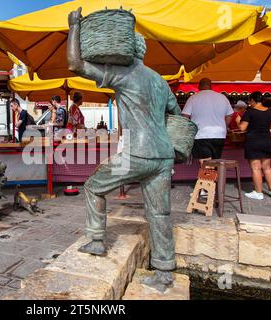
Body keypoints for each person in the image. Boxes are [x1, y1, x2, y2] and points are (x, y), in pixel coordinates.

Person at [68, 7, 181, 290]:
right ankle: (164, 272)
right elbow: (176, 113)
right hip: (164, 153)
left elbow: (75, 65)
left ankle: (96, 241)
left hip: (136, 153)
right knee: (159, 214)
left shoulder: (123, 73)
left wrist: (73, 27)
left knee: (94, 186)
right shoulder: (159, 80)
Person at [238, 93, 271, 200]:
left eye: (249, 101)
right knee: (267, 167)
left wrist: (238, 121)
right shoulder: (269, 111)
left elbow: (242, 128)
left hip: (253, 142)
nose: (249, 103)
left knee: (256, 168)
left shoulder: (250, 111)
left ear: (253, 100)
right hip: (266, 141)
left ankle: (258, 192)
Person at [182, 78, 233, 165]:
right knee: (216, 161)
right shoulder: (222, 97)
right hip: (219, 134)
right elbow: (229, 115)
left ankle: (208, 178)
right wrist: (224, 126)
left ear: (199, 86)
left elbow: (185, 116)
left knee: (205, 161)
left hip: (200, 134)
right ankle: (215, 178)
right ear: (211, 86)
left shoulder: (193, 98)